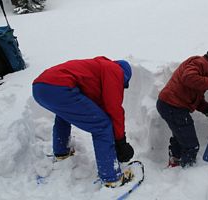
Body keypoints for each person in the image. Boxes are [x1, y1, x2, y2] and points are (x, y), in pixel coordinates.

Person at [32, 56, 135, 188]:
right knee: (102, 125)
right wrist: (121, 141)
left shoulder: (99, 67)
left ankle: (61, 152)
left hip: (40, 87)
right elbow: (114, 109)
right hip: (60, 87)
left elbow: (95, 102)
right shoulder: (115, 71)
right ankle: (111, 177)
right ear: (125, 76)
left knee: (64, 115)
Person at [156, 49, 208, 168]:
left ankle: (175, 164)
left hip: (170, 105)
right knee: (191, 145)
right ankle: (187, 174)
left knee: (180, 138)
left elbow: (196, 99)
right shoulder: (201, 63)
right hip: (173, 106)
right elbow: (188, 78)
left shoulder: (201, 69)